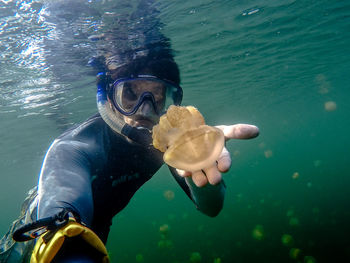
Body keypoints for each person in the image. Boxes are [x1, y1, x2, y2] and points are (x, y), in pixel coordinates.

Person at [0, 1, 259, 262]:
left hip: (98, 235)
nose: (144, 112)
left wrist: (200, 168)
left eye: (156, 99)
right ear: (108, 98)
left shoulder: (165, 146)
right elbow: (62, 228)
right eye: (130, 95)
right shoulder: (73, 148)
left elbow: (210, 208)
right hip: (33, 244)